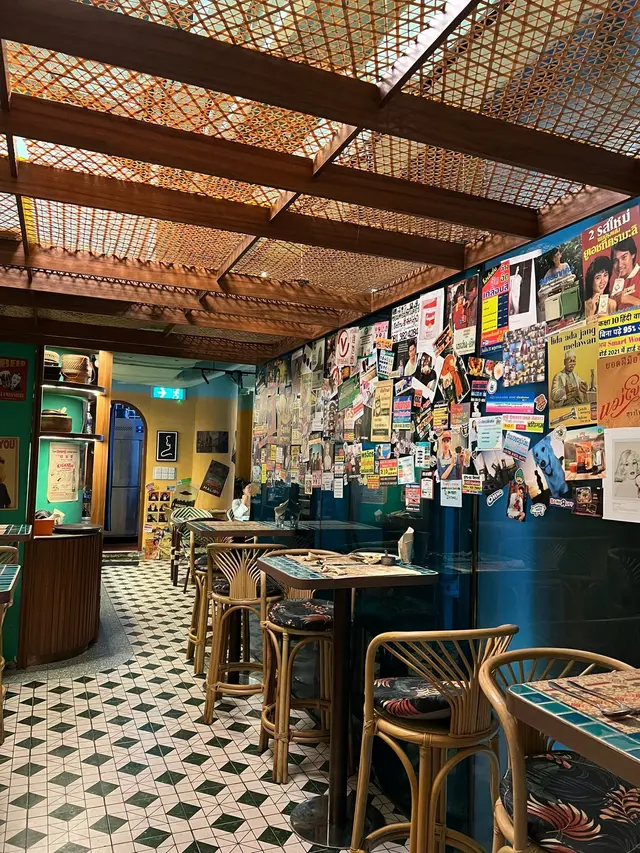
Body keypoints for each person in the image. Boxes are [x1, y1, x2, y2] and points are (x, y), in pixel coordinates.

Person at [612, 237, 640, 307]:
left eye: (624, 257)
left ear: (633, 255)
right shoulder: (613, 284)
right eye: (616, 260)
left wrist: (631, 300)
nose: (620, 265)